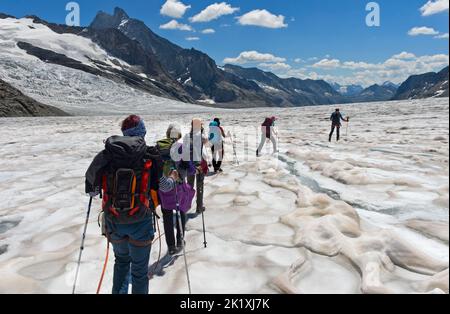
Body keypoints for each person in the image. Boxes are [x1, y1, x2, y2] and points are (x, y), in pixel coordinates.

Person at [85, 115, 160, 295]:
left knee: (121, 263)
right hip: (141, 220)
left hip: (114, 220)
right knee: (140, 272)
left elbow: (91, 190)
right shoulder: (150, 154)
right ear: (142, 132)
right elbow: (161, 186)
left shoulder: (106, 155)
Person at [158, 124, 196, 255]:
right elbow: (191, 169)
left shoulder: (159, 148)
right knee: (182, 211)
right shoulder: (181, 148)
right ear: (178, 135)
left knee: (167, 215)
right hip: (179, 186)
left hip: (163, 188)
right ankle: (180, 241)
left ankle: (171, 246)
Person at [183, 118, 208, 214]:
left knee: (189, 186)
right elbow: (207, 142)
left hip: (189, 164)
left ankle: (186, 205)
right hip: (199, 165)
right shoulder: (201, 136)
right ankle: (199, 207)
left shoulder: (187, 136)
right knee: (200, 185)